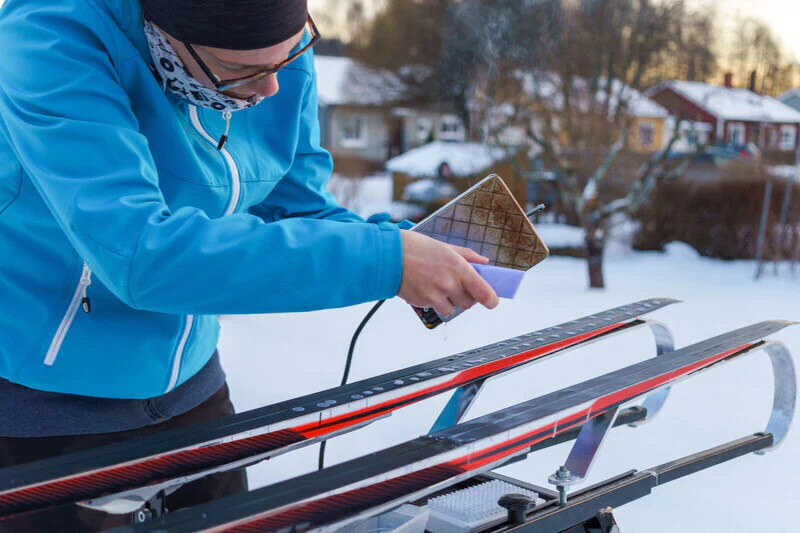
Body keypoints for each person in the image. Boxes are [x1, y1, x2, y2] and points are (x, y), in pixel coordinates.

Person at [0, 0, 499, 529]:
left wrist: (403, 246)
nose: (272, 91)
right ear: (165, 35)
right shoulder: (49, 44)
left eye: (288, 59)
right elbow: (144, 255)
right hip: (44, 407)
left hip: (192, 391)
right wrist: (384, 261)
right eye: (242, 71)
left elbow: (293, 202)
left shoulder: (272, 51)